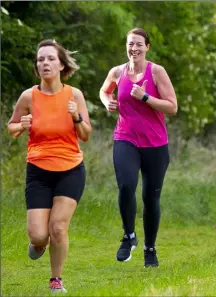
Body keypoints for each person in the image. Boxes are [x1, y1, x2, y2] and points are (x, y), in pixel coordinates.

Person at [7, 39, 92, 292]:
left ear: (61, 64)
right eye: (40, 59)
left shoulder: (74, 95)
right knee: (38, 235)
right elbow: (11, 127)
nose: (45, 63)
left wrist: (76, 116)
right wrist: (20, 126)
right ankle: (39, 245)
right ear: (37, 66)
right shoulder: (28, 96)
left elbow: (86, 134)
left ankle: (56, 280)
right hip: (39, 170)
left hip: (70, 169)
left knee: (57, 227)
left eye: (50, 59)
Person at [99, 28, 177, 268]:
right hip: (126, 138)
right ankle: (128, 235)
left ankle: (149, 248)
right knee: (125, 185)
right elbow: (104, 90)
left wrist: (145, 97)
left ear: (147, 47)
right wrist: (107, 102)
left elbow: (172, 107)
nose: (134, 48)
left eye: (139, 44)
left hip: (155, 144)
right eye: (130, 44)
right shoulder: (117, 72)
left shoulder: (157, 72)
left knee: (150, 198)